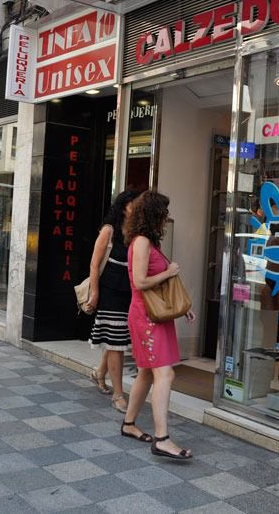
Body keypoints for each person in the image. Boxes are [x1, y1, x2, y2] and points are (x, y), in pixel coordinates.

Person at [121, 190, 196, 460]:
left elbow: (160, 283)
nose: (166, 218)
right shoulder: (141, 242)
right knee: (165, 374)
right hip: (146, 317)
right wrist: (169, 271)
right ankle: (162, 438)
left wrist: (182, 307)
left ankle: (129, 423)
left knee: (146, 372)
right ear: (154, 214)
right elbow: (140, 282)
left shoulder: (148, 242)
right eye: (164, 213)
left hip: (156, 315)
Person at [86, 190, 140, 413]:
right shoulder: (109, 230)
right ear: (125, 206)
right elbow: (94, 265)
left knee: (116, 337)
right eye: (135, 203)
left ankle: (100, 371)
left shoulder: (136, 232)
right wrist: (95, 294)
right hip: (110, 291)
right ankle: (118, 394)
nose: (137, 207)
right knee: (117, 342)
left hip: (130, 291)